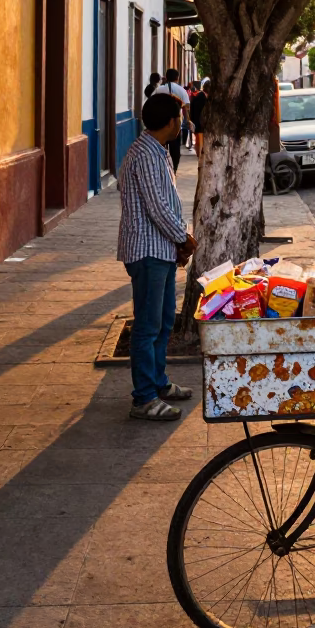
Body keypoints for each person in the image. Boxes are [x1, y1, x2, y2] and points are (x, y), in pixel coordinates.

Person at [117, 93, 197, 421]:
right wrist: (183, 238)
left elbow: (166, 203)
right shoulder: (145, 155)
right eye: (180, 117)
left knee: (163, 321)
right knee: (148, 327)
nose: (183, 123)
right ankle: (144, 398)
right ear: (171, 122)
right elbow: (157, 208)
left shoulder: (156, 150)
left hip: (161, 250)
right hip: (148, 251)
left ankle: (158, 382)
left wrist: (177, 243)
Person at [155, 68, 191, 172]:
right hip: (176, 124)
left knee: (161, 146)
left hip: (161, 123)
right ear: (177, 78)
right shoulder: (181, 90)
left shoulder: (159, 89)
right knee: (175, 149)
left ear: (166, 77)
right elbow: (186, 108)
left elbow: (153, 104)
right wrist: (188, 121)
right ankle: (173, 170)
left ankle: (162, 169)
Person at [190, 78, 211, 158]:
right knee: (200, 141)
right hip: (199, 123)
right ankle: (199, 157)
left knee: (199, 141)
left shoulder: (199, 96)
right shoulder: (202, 98)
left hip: (197, 122)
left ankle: (199, 156)